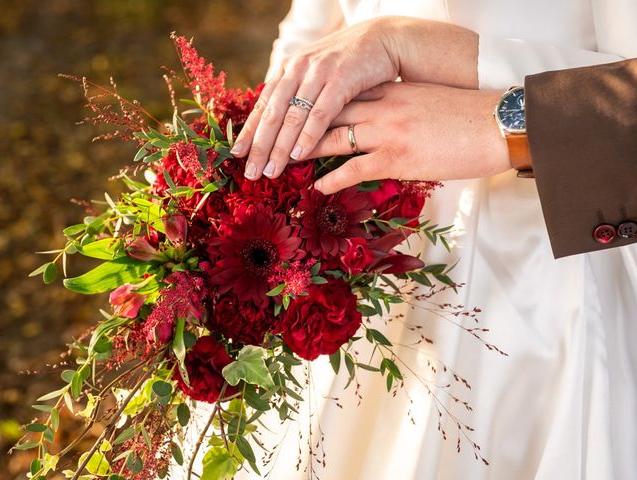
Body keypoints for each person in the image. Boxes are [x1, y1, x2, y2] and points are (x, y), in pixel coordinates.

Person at [224, 2, 637, 480]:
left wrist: (501, 116)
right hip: (351, 244)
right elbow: (318, 25)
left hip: (556, 261)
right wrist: (265, 155)